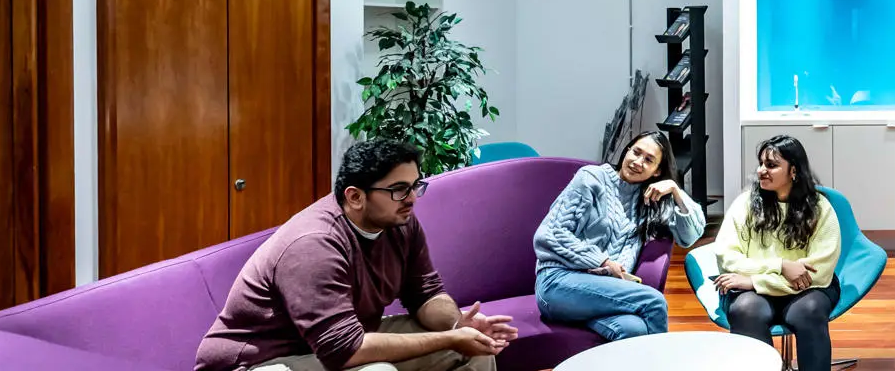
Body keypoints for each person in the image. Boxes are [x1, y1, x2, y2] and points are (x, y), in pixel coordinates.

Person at [196, 141, 517, 371]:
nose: (411, 199)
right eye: (398, 190)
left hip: (341, 340)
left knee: (475, 351)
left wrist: (459, 324)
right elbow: (344, 350)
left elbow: (425, 293)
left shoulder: (399, 222)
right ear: (355, 196)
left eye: (415, 186)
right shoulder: (314, 245)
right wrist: (450, 338)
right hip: (259, 361)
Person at [533, 131, 707, 340]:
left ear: (657, 171)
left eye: (648, 160)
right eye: (636, 152)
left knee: (634, 330)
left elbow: (691, 235)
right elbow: (548, 234)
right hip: (558, 282)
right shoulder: (591, 179)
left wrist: (675, 189)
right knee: (654, 301)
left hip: (602, 293)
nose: (637, 162)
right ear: (627, 151)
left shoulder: (651, 200)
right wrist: (602, 260)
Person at [714, 136, 843, 371]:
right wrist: (781, 265)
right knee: (745, 310)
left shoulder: (820, 208)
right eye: (761, 163)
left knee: (809, 311)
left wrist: (754, 280)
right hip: (757, 291)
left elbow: (818, 272)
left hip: (807, 289)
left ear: (793, 170)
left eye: (771, 165)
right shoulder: (745, 204)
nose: (761, 171)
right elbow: (727, 256)